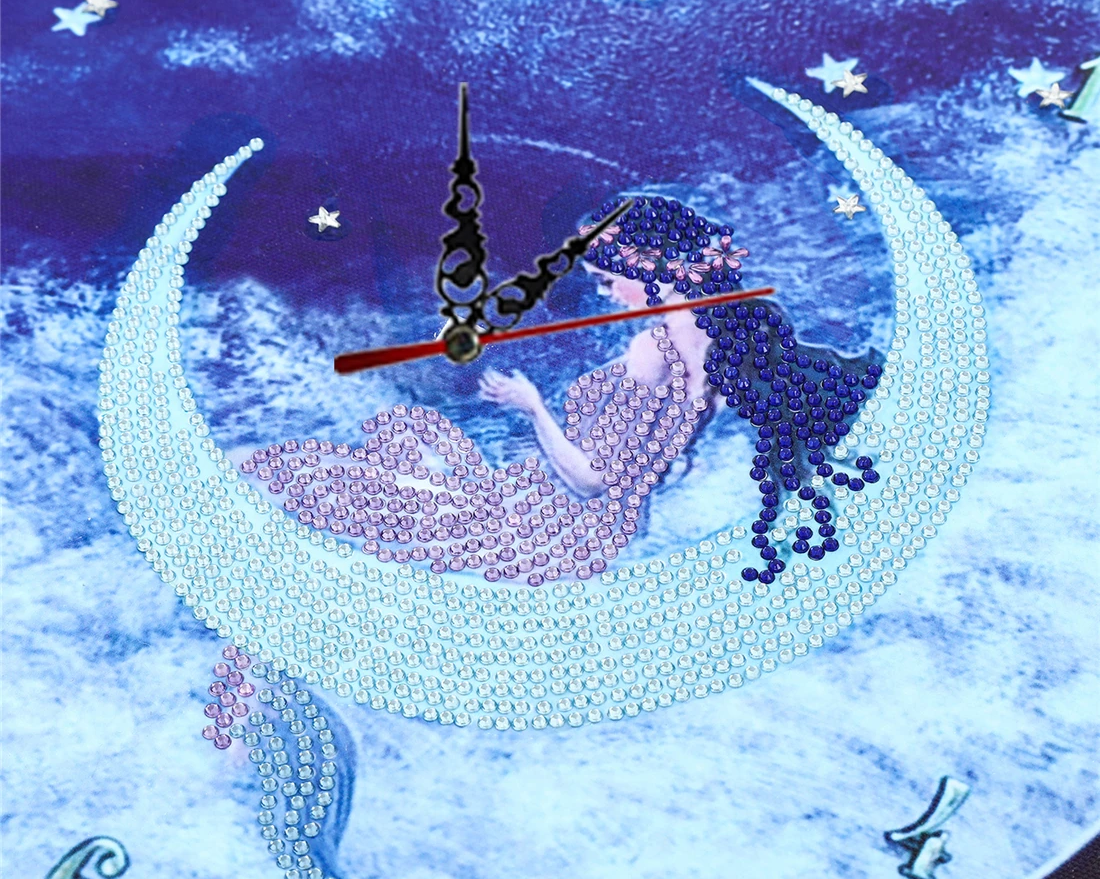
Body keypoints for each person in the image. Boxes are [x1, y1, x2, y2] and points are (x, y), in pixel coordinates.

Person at [239, 195, 884, 586]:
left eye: (607, 279)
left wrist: (533, 407)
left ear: (650, 270)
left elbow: (593, 481)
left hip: (556, 526)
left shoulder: (654, 351)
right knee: (359, 482)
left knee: (322, 495)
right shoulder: (730, 336)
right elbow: (657, 454)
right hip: (592, 523)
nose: (605, 293)